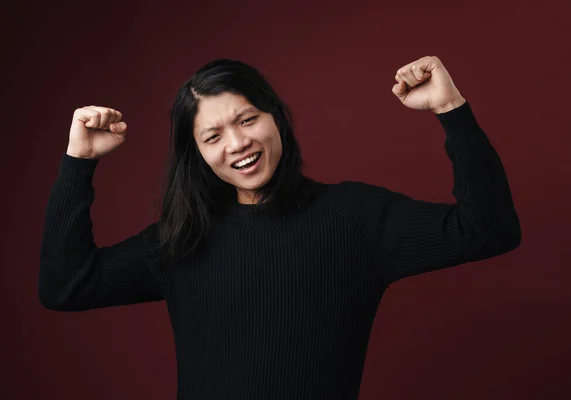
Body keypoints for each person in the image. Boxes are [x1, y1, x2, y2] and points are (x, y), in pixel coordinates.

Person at [39, 56, 521, 399]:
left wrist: (451, 109)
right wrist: (78, 162)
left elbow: (489, 231)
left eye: (247, 119)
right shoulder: (182, 240)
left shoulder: (354, 217)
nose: (237, 144)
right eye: (212, 136)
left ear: (276, 117)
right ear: (200, 156)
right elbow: (65, 287)